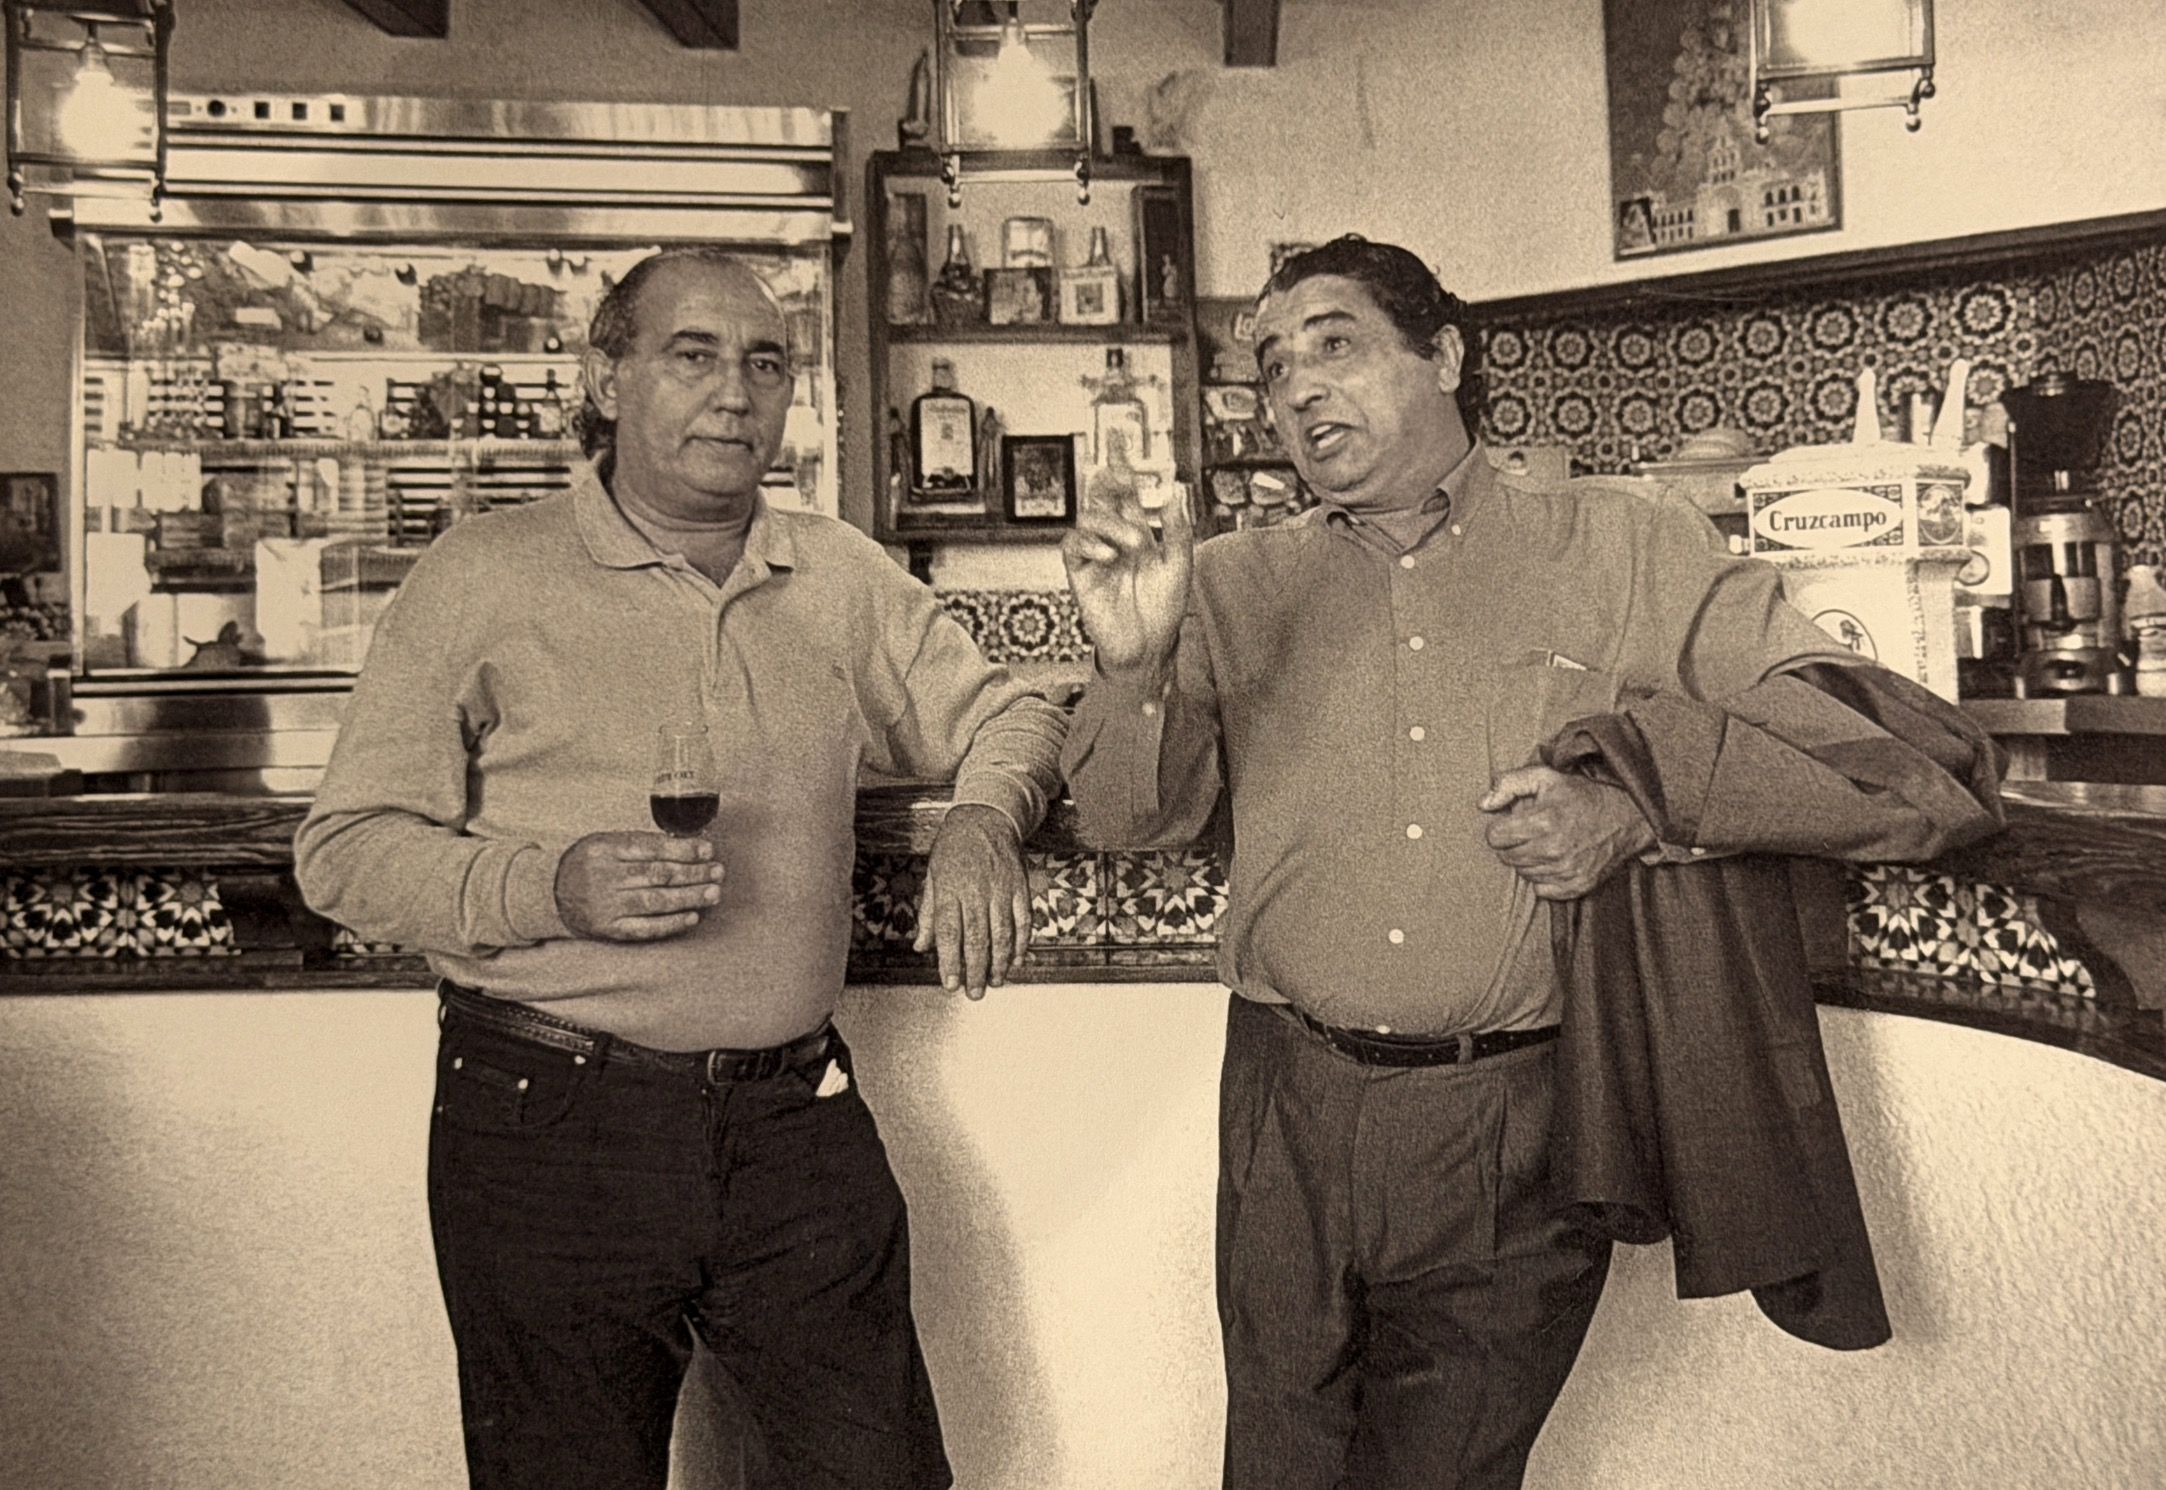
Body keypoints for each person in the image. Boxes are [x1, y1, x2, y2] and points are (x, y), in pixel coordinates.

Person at [1058, 235, 1997, 1490]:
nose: (1297, 390)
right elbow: (1127, 825)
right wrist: (1129, 662)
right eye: (1274, 367)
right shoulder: (1225, 585)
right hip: (1281, 1102)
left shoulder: (1628, 546)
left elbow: (1896, 768)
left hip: (1513, 1123)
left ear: (1444, 353)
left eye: (1333, 343)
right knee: (1269, 1467)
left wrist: (1640, 805)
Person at [295, 247, 1065, 1490]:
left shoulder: (840, 573)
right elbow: (343, 852)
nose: (735, 393)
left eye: (766, 363)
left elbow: (1012, 712)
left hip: (791, 1122)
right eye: (692, 355)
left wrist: (980, 820)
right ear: (606, 377)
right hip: (549, 1118)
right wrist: (546, 886)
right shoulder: (479, 576)